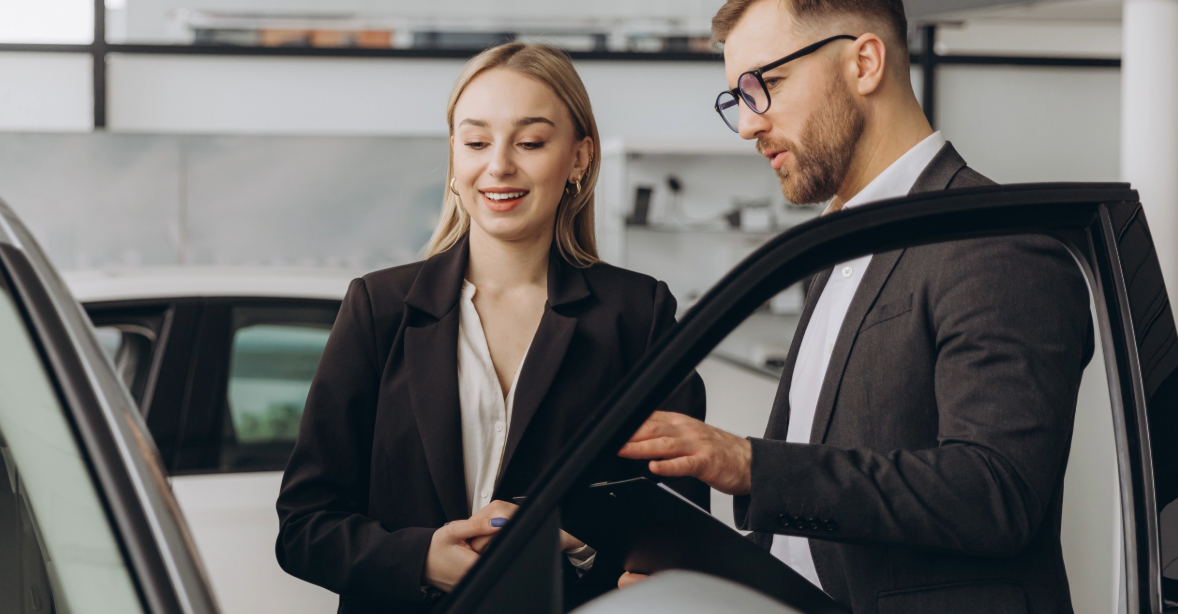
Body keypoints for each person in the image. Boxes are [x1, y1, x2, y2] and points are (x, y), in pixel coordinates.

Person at [612, 0, 1093, 612]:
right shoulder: (834, 249)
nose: (747, 125)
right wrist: (717, 582)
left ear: (864, 63)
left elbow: (994, 495)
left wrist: (750, 465)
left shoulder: (998, 243)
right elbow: (819, 541)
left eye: (768, 84)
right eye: (738, 97)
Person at [275, 42, 705, 614]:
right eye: (476, 142)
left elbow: (680, 527)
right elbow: (304, 528)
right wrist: (424, 557)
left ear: (579, 157)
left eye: (530, 142)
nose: (499, 165)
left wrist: (581, 549)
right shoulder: (379, 307)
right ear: (454, 157)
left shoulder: (638, 314)